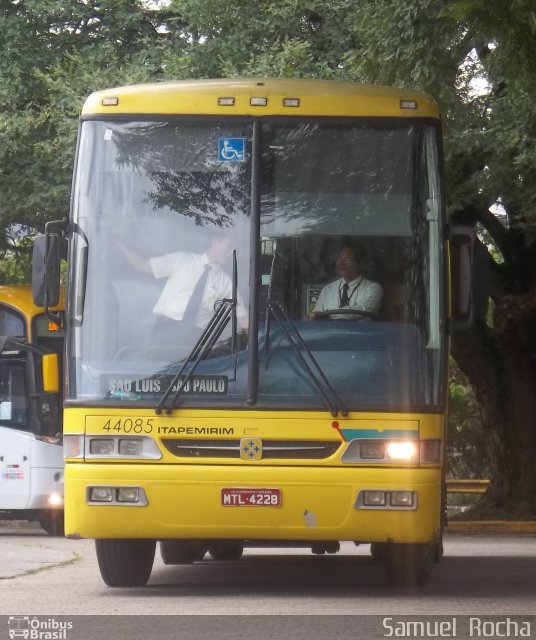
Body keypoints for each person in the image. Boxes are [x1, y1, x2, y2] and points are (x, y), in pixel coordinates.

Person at [120, 233, 247, 343]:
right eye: (229, 246)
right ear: (215, 241)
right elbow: (142, 265)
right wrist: (120, 244)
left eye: (235, 249)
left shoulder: (227, 283)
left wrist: (254, 347)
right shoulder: (182, 260)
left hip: (195, 341)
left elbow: (243, 318)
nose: (232, 252)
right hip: (164, 332)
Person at [311, 240, 383, 319]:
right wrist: (311, 317)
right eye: (339, 258)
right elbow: (315, 317)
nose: (341, 263)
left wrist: (327, 315)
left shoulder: (372, 288)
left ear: (359, 262)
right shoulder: (327, 290)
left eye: (347, 258)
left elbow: (362, 312)